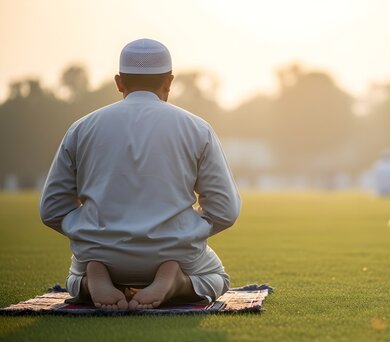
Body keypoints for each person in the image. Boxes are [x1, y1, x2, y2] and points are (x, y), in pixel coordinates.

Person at [39, 39, 241, 310]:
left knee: (74, 277)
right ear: (169, 81)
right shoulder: (197, 128)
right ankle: (175, 280)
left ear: (119, 82)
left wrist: (91, 231)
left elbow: (51, 210)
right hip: (176, 252)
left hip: (99, 252)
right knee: (216, 278)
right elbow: (225, 210)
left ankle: (92, 277)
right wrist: (183, 231)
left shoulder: (81, 128)